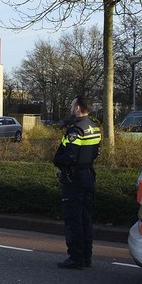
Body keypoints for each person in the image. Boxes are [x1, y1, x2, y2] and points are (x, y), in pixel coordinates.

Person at [53, 96, 102, 270]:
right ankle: (86, 256)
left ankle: (75, 258)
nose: (70, 108)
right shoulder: (95, 127)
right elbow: (96, 153)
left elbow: (69, 155)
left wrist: (57, 160)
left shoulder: (76, 130)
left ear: (78, 109)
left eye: (72, 105)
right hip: (89, 175)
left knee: (73, 219)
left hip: (75, 179)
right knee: (86, 218)